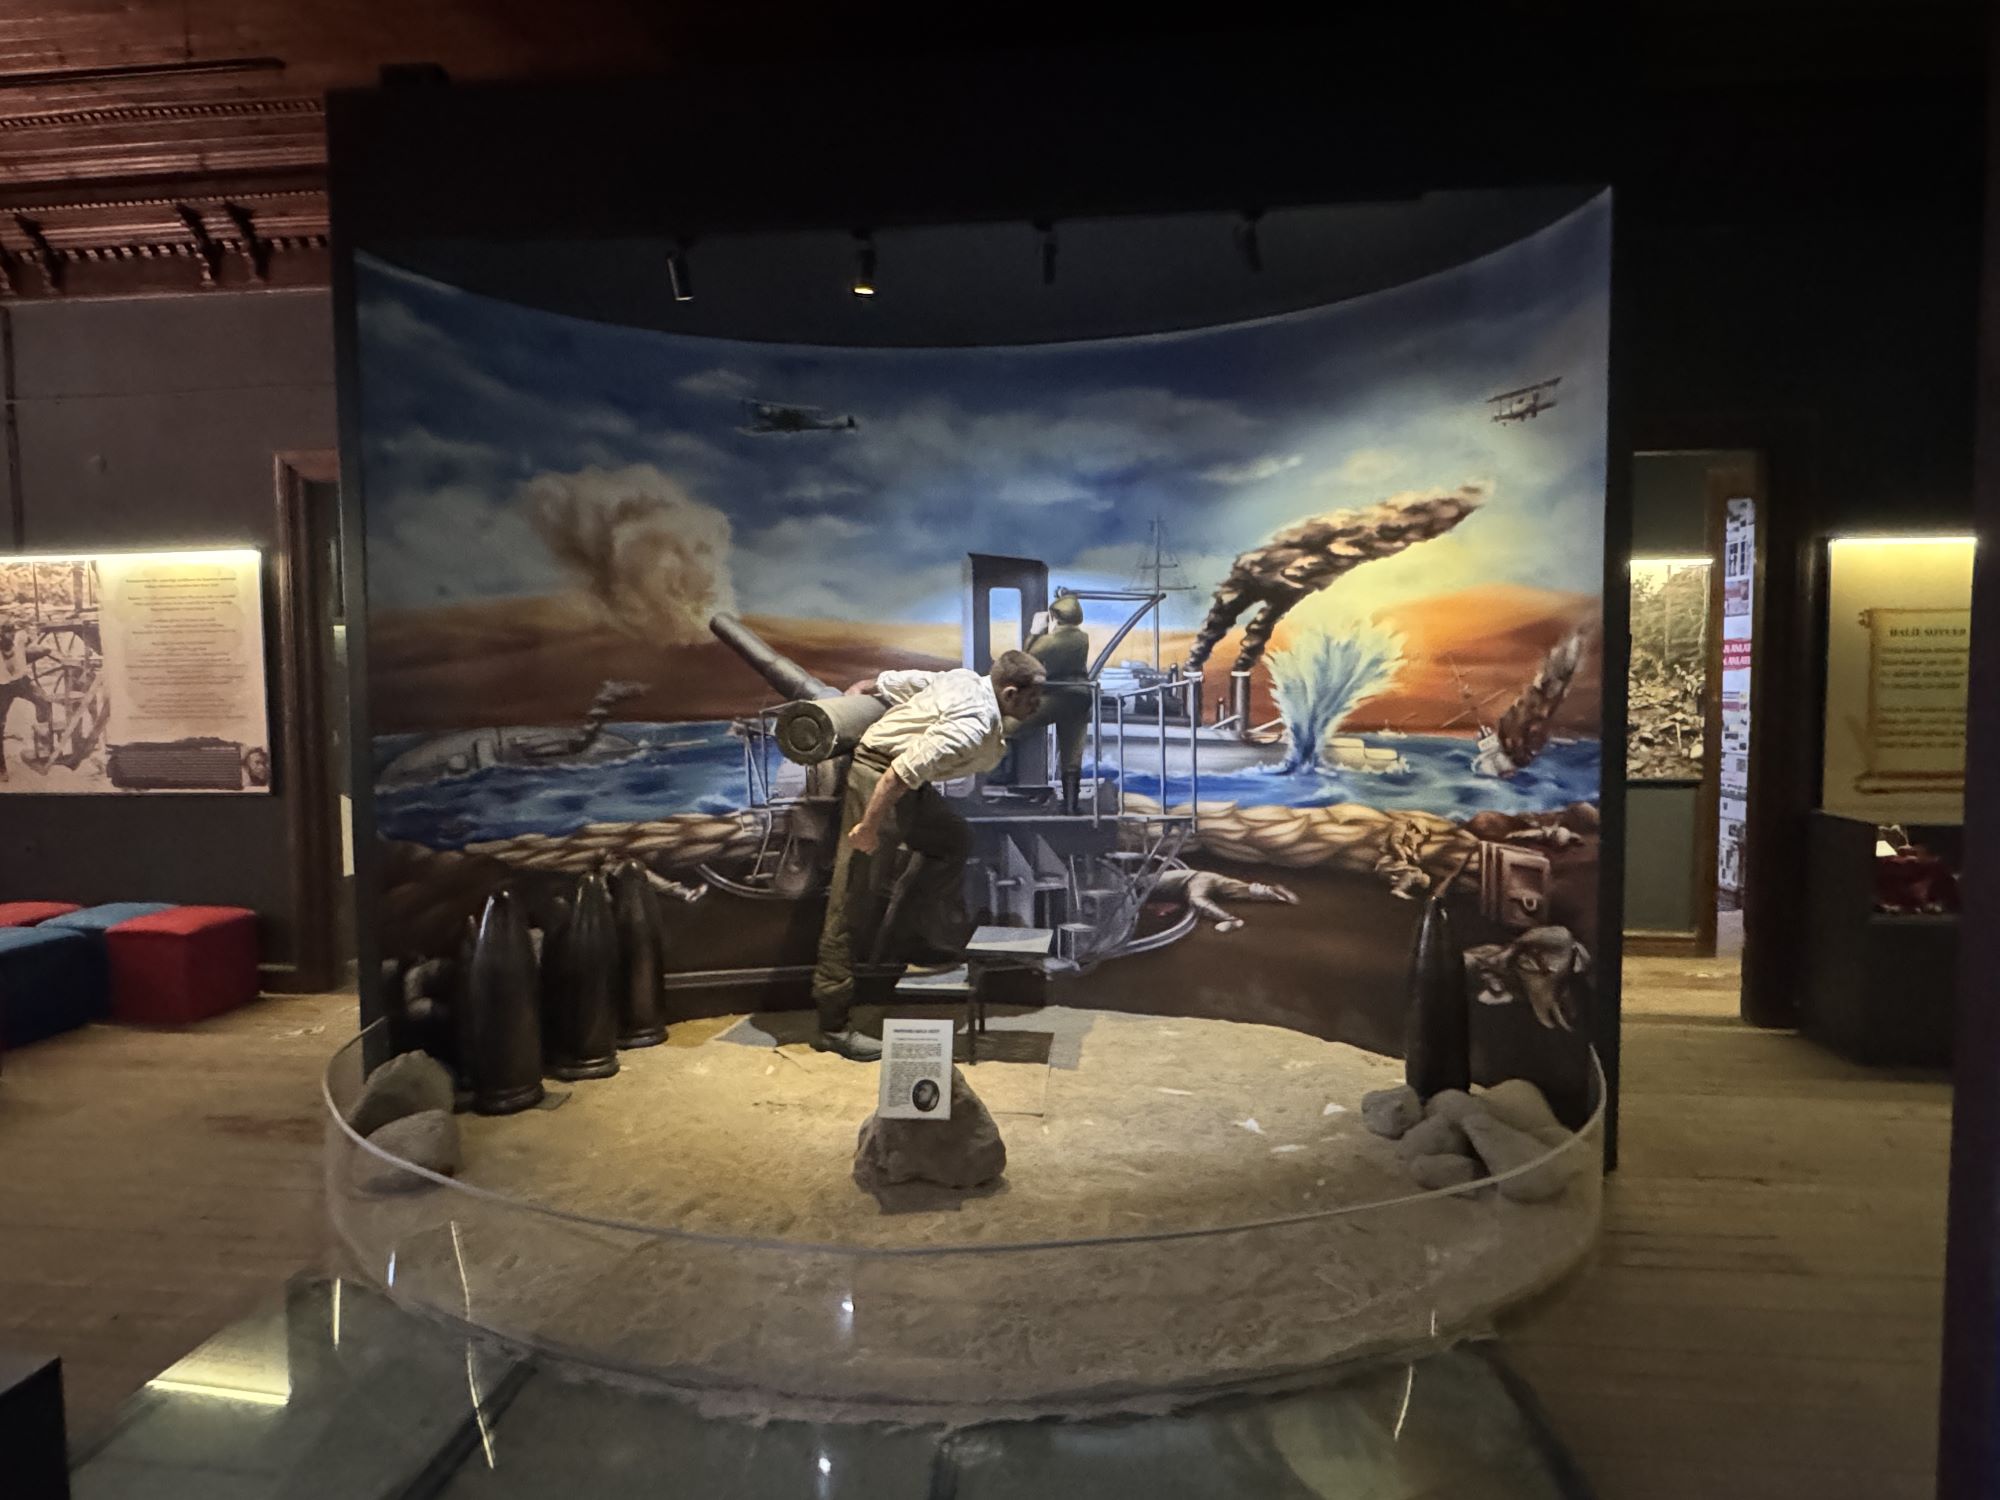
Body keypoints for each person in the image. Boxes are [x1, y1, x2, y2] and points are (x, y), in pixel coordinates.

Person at [810, 649, 1046, 1061]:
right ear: (1009, 693)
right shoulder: (972, 725)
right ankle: (833, 1024)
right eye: (1033, 697)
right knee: (853, 897)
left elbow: (908, 681)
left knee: (952, 840)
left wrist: (867, 686)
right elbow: (897, 774)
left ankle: (910, 937)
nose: (1038, 705)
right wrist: (868, 827)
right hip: (880, 781)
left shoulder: (966, 681)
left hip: (907, 785)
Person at [1023, 594, 1093, 814]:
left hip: (1059, 696)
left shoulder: (1052, 640)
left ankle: (1003, 778)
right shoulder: (1083, 638)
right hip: (1081, 698)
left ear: (1055, 617)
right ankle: (1071, 806)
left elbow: (1027, 657)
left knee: (1012, 724)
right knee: (1072, 753)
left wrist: (1035, 630)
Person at [0, 624, 52, 781]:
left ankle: (44, 745)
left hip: (22, 682)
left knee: (44, 702)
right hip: (3, 687)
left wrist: (37, 643)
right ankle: (1, 768)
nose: (10, 637)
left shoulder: (20, 640)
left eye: (12, 633)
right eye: (6, 634)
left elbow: (41, 644)